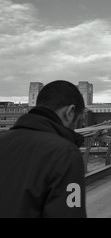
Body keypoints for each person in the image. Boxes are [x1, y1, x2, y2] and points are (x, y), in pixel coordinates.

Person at [0, 80, 87, 218]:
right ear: (70, 112)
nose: (76, 128)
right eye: (78, 122)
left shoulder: (3, 141)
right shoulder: (66, 154)